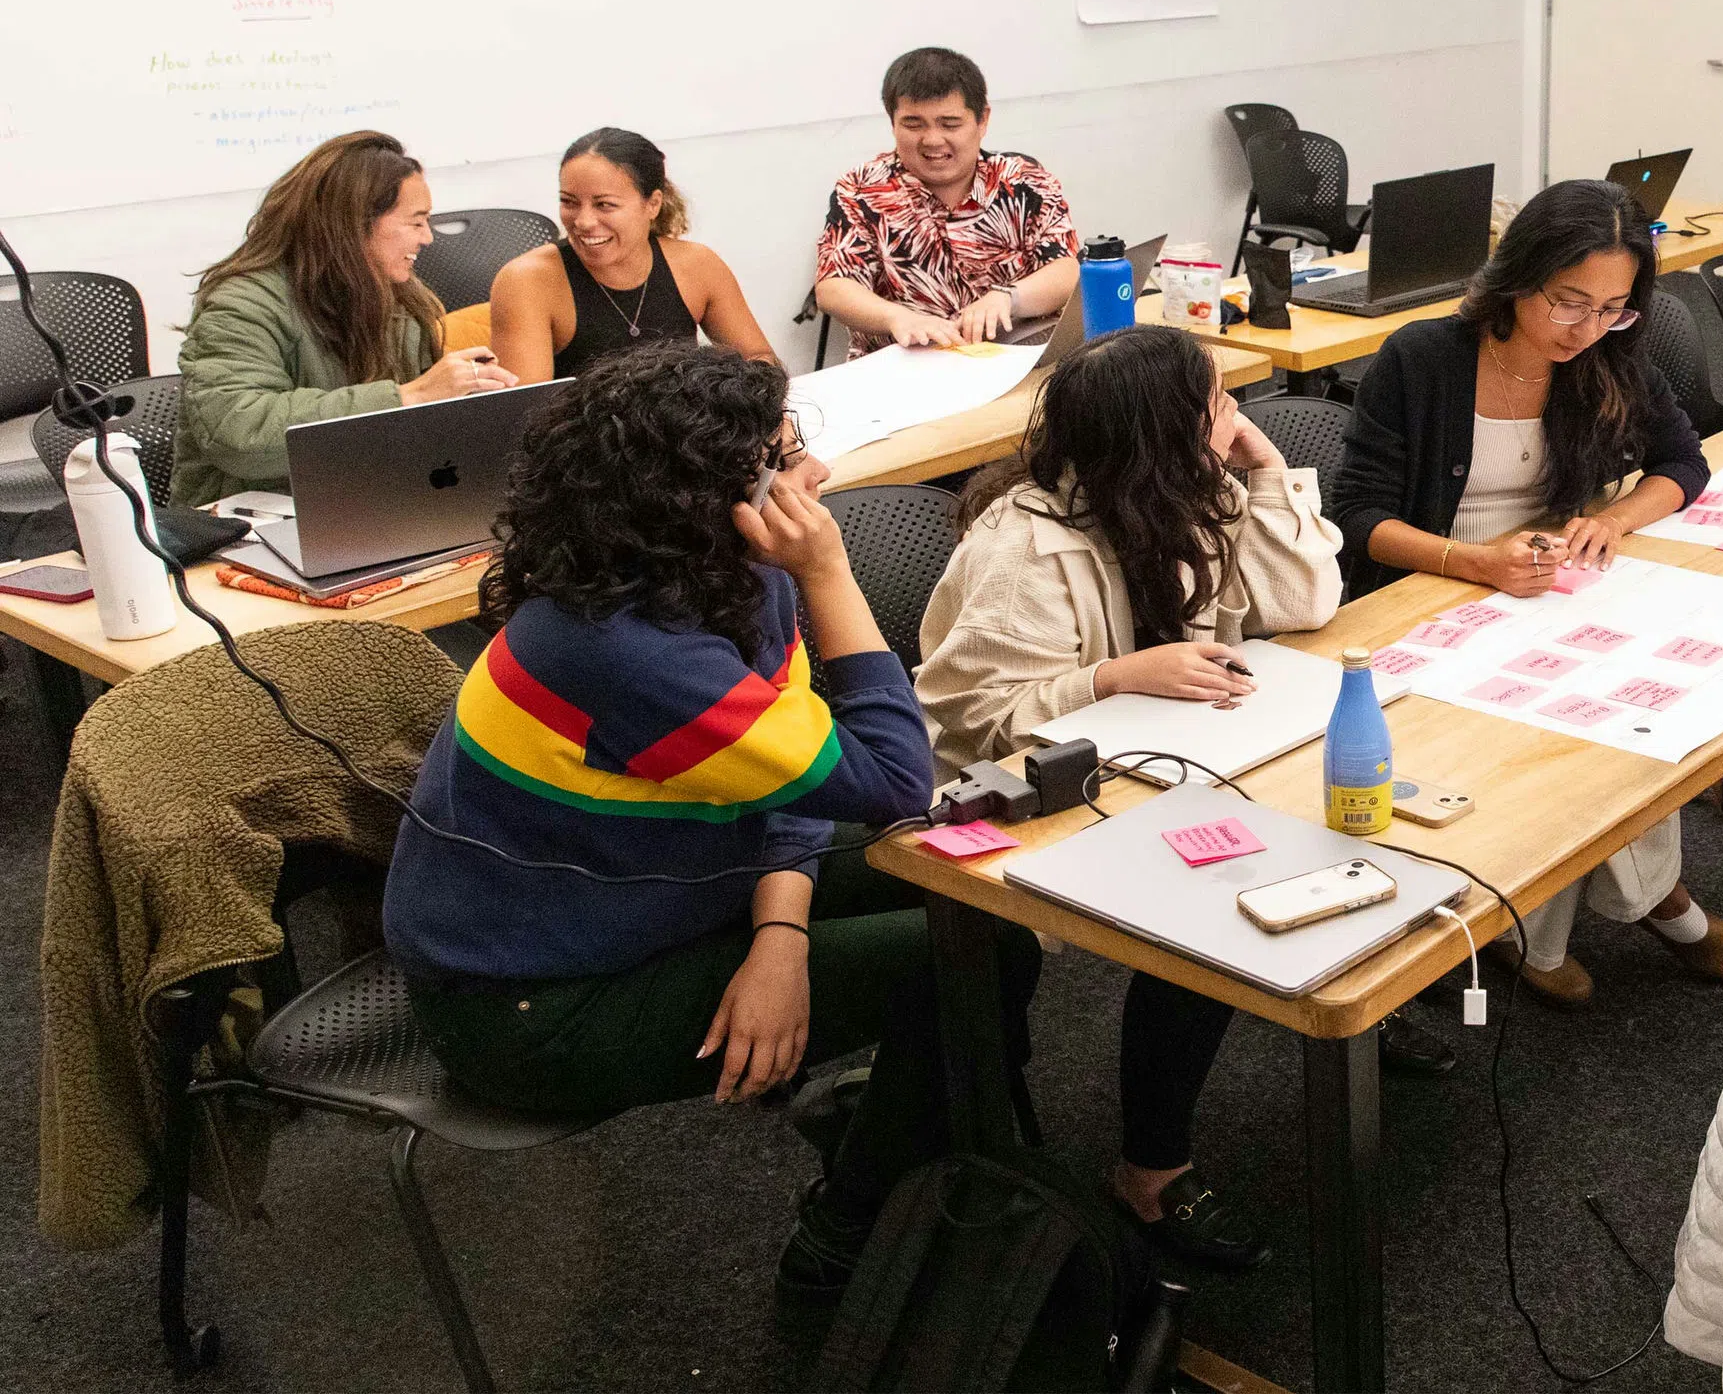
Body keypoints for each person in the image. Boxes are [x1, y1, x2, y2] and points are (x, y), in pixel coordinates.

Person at [380, 344, 942, 1304]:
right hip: (527, 1001)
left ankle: (920, 1141)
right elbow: (893, 777)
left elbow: (790, 774)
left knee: (972, 902)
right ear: (709, 497)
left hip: (657, 895)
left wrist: (781, 938)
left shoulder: (725, 579)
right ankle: (852, 1229)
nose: (811, 471)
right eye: (783, 452)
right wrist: (831, 574)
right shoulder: (620, 651)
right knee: (956, 962)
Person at [913, 324, 1442, 1265]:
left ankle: (1367, 1003)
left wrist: (1268, 465)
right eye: (1218, 408)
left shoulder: (1186, 496)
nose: (1234, 420)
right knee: (1217, 907)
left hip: (1175, 756)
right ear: (1161, 434)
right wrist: (1115, 678)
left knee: (1349, 793)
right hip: (1035, 801)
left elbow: (1305, 603)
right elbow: (971, 719)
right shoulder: (1024, 548)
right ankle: (1149, 1174)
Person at [1329, 179, 1723, 1004]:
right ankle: (1610, 911)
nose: (1588, 328)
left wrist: (1619, 519)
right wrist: (1474, 563)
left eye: (1613, 307)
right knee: (1557, 725)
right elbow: (1356, 515)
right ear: (1519, 276)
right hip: (1430, 590)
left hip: (1547, 585)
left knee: (1634, 707)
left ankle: (1610, 907)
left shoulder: (1607, 356)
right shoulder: (1423, 358)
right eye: (1570, 303)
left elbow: (1685, 463)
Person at [174, 130, 517, 506]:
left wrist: (471, 409)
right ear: (354, 224)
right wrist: (410, 396)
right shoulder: (240, 303)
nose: (427, 239)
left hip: (359, 509)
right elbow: (240, 434)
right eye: (416, 222)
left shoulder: (400, 297)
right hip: (244, 531)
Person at [814, 47, 1079, 356]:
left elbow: (1066, 270)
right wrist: (898, 317)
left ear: (982, 121)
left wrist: (1008, 298)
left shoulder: (1025, 182)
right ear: (892, 123)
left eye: (950, 124)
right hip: (911, 368)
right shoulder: (861, 191)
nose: (932, 140)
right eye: (913, 124)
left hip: (1018, 359)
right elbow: (833, 288)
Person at [486, 127, 779, 382]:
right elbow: (523, 413)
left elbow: (759, 359)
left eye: (605, 205)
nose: (583, 221)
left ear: (652, 204)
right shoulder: (526, 281)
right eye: (569, 202)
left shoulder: (698, 265)